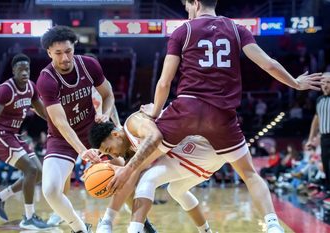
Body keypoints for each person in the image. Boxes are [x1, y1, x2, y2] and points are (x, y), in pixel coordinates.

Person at [108, 1, 323, 233]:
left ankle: (121, 222)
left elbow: (164, 82)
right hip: (221, 115)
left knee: (142, 163)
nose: (187, 10)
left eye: (187, 5)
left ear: (196, 3)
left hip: (186, 109)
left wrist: (156, 110)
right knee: (250, 174)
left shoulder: (184, 30)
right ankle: (272, 225)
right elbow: (268, 65)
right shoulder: (237, 29)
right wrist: (295, 83)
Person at [89, 110, 230, 233]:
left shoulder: (132, 123)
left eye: (109, 150)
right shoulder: (130, 151)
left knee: (148, 179)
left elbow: (155, 136)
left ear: (115, 134)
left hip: (200, 143)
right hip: (213, 157)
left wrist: (109, 218)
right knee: (176, 190)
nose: (114, 155)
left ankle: (135, 230)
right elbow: (128, 182)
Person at [37, 25, 115, 233]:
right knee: (51, 191)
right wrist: (82, 151)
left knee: (127, 168)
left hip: (92, 129)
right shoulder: (46, 80)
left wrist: (106, 114)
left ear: (75, 47)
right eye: (58, 53)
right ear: (49, 53)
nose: (64, 58)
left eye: (68, 51)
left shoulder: (89, 65)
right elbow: (60, 123)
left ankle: (139, 222)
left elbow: (108, 95)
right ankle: (80, 229)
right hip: (62, 138)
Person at [0, 53, 50, 230]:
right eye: (20, 69)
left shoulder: (31, 87)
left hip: (14, 135)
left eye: (27, 69)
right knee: (31, 169)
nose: (25, 72)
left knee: (39, 173)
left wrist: (57, 123)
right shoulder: (6, 90)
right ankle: (28, 217)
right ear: (13, 71)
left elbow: (42, 112)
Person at [306, 72, 330, 199]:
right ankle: (328, 190)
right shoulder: (319, 100)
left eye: (328, 82)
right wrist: (311, 139)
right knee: (326, 165)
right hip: (324, 137)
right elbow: (316, 119)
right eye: (323, 82)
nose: (325, 85)